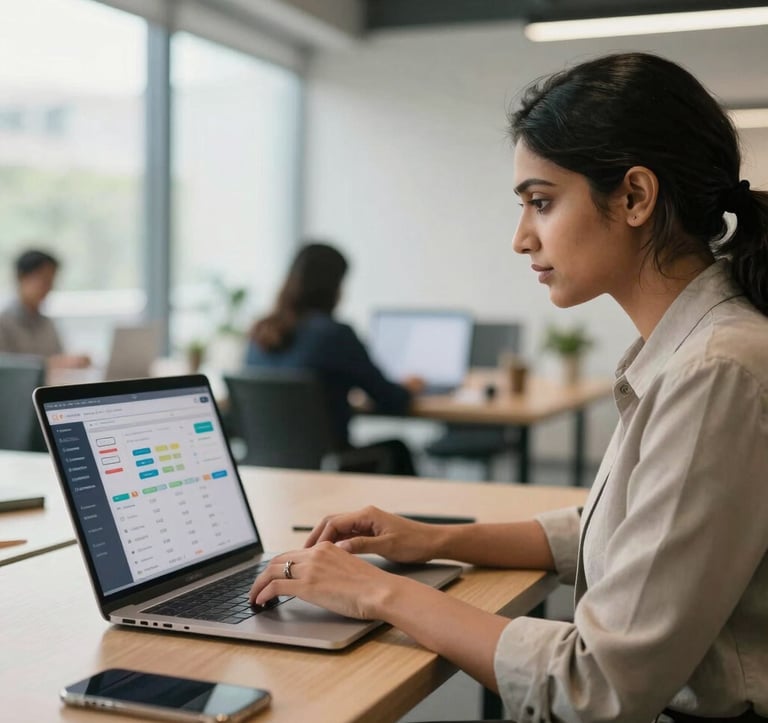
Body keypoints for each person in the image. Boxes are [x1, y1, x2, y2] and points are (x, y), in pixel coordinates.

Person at [248, 53, 768, 722]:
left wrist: (378, 592)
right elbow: (622, 527)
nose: (522, 238)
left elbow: (594, 686)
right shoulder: (700, 348)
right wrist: (432, 538)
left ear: (636, 197)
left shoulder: (716, 369)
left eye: (541, 203)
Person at [245, 241, 424, 475]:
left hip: (268, 471)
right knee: (397, 449)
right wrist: (410, 387)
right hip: (329, 466)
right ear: (335, 286)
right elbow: (391, 399)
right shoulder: (335, 334)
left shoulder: (260, 332)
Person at [0, 249, 90, 369]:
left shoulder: (48, 323)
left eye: (51, 281)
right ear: (21, 278)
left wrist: (74, 361)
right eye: (44, 280)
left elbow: (60, 357)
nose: (48, 288)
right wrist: (51, 363)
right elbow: (7, 369)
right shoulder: (4, 323)